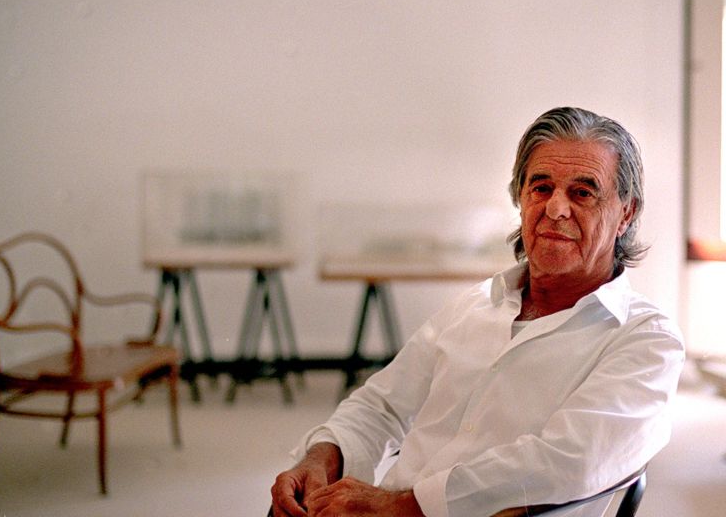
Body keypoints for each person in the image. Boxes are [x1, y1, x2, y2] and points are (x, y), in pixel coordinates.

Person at [271, 107, 685, 517]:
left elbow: (572, 460)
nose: (555, 208)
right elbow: (383, 404)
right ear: (521, 199)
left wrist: (402, 506)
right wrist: (321, 456)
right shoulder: (475, 305)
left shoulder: (647, 339)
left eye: (582, 193)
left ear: (626, 213)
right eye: (541, 188)